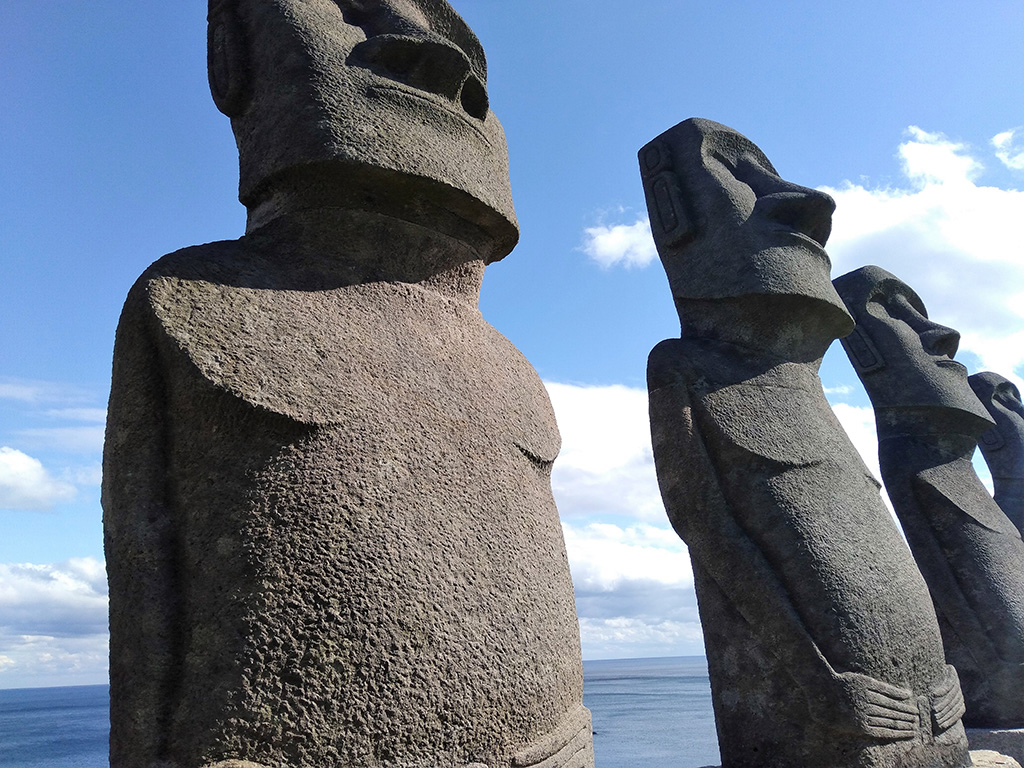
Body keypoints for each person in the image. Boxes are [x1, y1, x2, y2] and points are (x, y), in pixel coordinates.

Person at [103, 2, 593, 766]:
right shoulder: (192, 300)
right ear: (232, 55)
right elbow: (150, 614)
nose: (439, 60)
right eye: (345, 10)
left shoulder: (508, 360)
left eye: (468, 48)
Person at [641, 118, 969, 768]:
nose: (806, 204)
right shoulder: (686, 369)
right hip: (844, 713)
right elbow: (711, 532)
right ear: (672, 205)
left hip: (936, 713)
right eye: (736, 175)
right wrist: (817, 679)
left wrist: (946, 674)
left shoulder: (814, 392)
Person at [834, 266, 1024, 728]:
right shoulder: (917, 465)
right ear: (867, 349)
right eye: (894, 314)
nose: (942, 335)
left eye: (1010, 402)